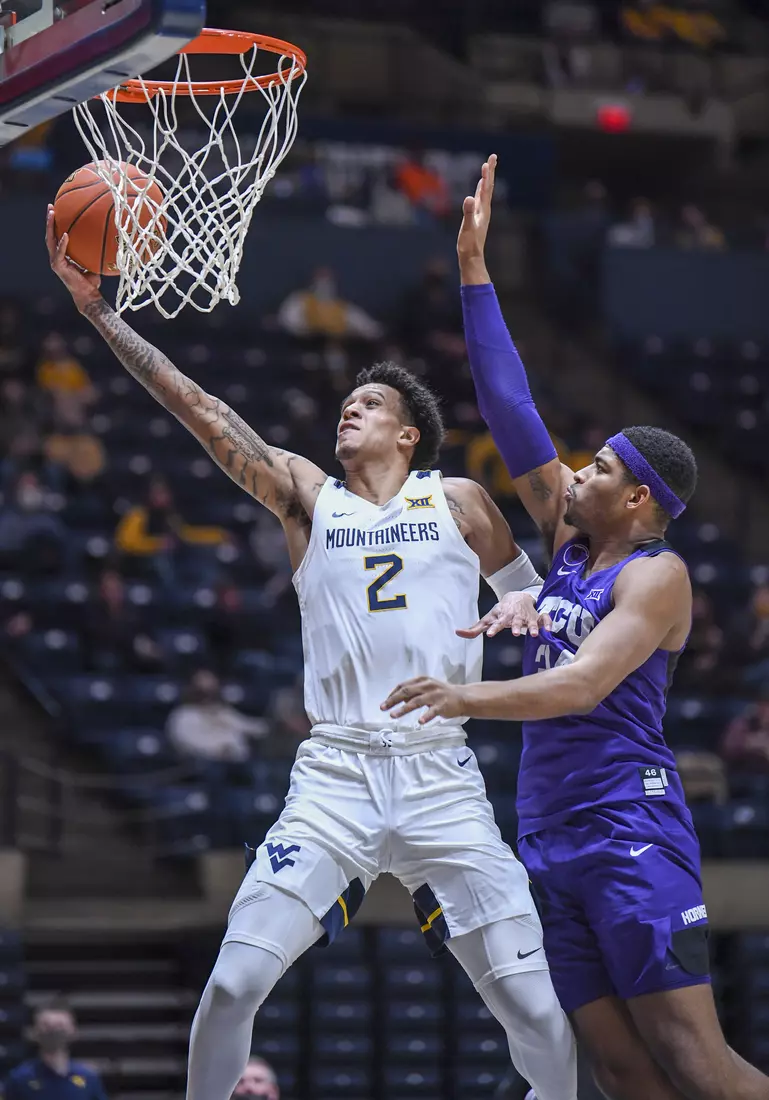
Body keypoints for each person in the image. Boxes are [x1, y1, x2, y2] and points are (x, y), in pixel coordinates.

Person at [46, 205, 578, 1100]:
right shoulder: (307, 497)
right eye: (343, 406)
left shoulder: (458, 500)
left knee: (540, 1020)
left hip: (441, 778)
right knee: (230, 988)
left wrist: (523, 602)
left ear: (407, 434)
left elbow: (530, 592)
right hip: (334, 774)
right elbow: (202, 410)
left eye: (367, 406)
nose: (347, 413)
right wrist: (100, 312)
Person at [382, 155, 769, 1100]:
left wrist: (464, 697)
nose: (574, 473)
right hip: (549, 830)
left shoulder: (656, 576)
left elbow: (583, 684)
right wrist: (474, 270)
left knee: (692, 1060)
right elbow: (508, 406)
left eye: (596, 468)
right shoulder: (567, 543)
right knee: (620, 1067)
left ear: (638, 498)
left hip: (627, 824)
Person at [3, 996, 107, 1100]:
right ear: (35, 1033)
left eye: (60, 1026)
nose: (54, 1032)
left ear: (73, 1031)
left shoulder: (88, 1078)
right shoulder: (20, 1078)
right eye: (47, 1027)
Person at [167, 669, 268, 764]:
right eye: (202, 693)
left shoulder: (224, 712)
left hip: (238, 764)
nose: (207, 698)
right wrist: (218, 750)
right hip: (204, 766)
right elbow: (188, 743)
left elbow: (251, 727)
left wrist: (272, 724)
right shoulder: (184, 715)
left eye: (211, 692)